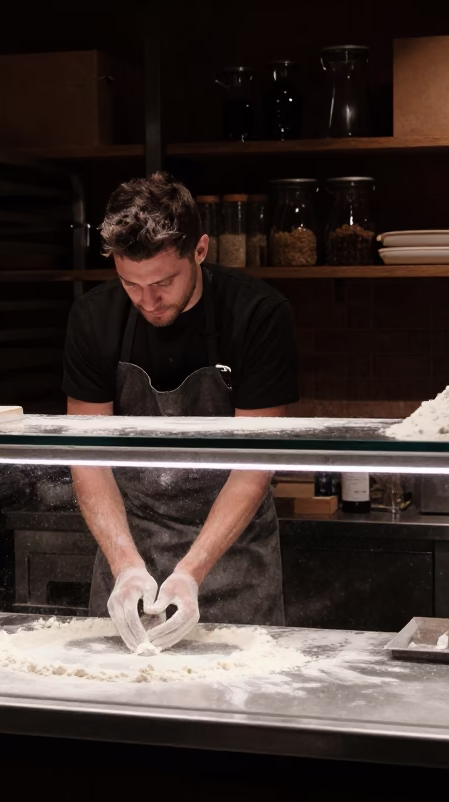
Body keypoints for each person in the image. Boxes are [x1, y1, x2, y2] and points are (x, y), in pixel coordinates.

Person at [62, 173, 299, 653]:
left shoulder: (258, 314)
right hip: (130, 544)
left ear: (201, 250)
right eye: (132, 284)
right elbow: (88, 457)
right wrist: (125, 566)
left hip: (236, 556)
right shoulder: (93, 317)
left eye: (164, 283)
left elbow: (254, 466)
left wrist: (191, 572)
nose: (149, 301)